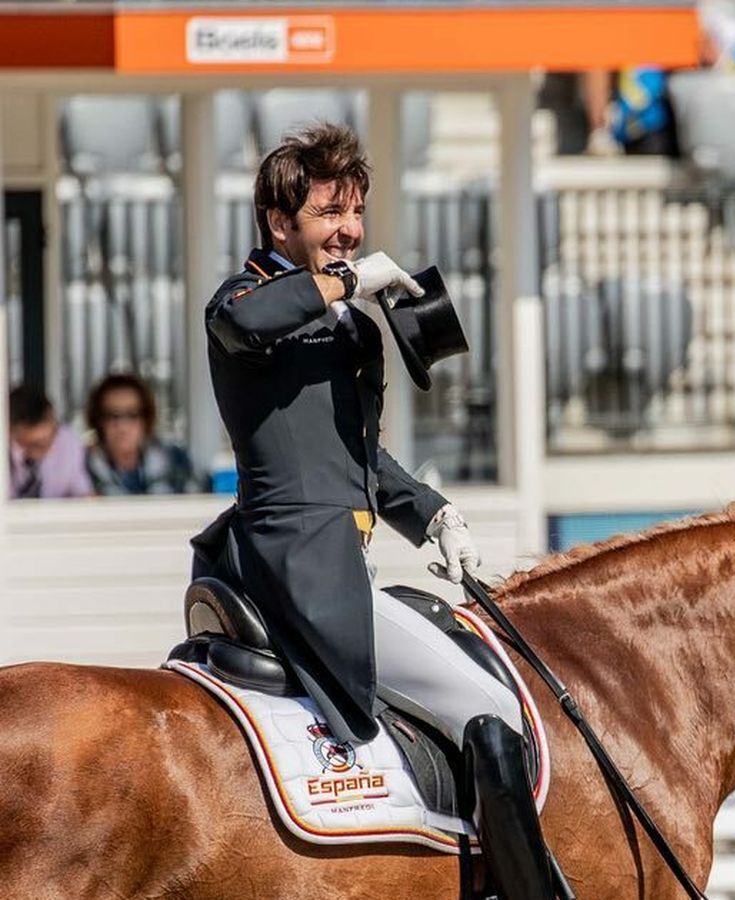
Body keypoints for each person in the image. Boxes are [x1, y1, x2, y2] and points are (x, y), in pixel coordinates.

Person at [189, 124, 552, 896]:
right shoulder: (244, 299)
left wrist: (432, 515)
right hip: (294, 562)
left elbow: (361, 462)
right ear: (280, 223)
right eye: (329, 213)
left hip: (342, 556)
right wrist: (348, 285)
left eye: (356, 213)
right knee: (493, 709)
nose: (349, 231)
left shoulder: (353, 327)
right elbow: (246, 323)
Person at [83, 373, 198, 496]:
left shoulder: (175, 460)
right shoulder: (81, 467)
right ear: (98, 421)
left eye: (132, 415)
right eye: (112, 416)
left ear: (146, 419)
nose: (123, 426)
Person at [8, 384, 92, 500]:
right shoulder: (5, 450)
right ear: (10, 431)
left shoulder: (67, 441)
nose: (51, 448)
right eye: (37, 444)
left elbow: (84, 495)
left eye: (53, 434)